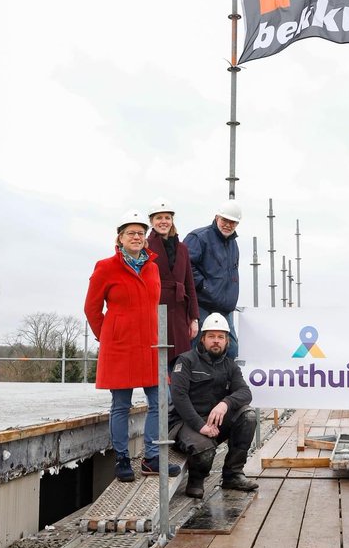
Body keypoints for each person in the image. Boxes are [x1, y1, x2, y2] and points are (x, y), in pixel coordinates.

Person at [84, 209, 182, 483]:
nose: (136, 237)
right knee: (121, 404)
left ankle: (152, 458)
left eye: (140, 233)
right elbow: (92, 308)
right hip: (120, 346)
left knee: (160, 400)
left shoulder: (152, 267)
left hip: (150, 346)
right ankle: (122, 459)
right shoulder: (106, 267)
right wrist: (108, 335)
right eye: (131, 233)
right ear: (120, 238)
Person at [170, 312, 260, 498]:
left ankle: (233, 475)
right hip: (187, 423)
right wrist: (200, 426)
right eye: (211, 336)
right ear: (202, 339)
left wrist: (225, 403)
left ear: (227, 341)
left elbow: (245, 392)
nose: (216, 341)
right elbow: (179, 398)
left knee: (248, 416)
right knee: (204, 450)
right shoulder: (185, 361)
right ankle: (196, 480)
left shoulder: (230, 366)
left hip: (215, 420)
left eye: (221, 337)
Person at [184, 202, 242, 359]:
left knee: (231, 350)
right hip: (201, 305)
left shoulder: (233, 244)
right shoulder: (198, 237)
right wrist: (204, 287)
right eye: (225, 220)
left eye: (232, 222)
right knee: (196, 349)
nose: (228, 225)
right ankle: (192, 376)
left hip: (224, 308)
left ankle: (224, 377)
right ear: (217, 218)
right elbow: (186, 266)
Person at [147, 198, 199, 367]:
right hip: (155, 309)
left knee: (179, 362)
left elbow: (189, 284)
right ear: (151, 221)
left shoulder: (182, 248)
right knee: (156, 359)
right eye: (159, 218)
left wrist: (194, 318)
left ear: (172, 220)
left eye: (167, 217)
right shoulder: (145, 246)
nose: (163, 221)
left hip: (179, 312)